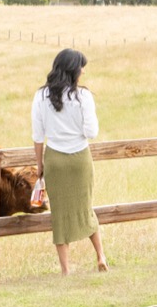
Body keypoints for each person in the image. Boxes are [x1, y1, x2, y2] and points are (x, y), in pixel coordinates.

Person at [31, 48, 108, 275]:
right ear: (73, 70)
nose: (83, 71)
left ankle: (66, 269)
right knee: (85, 207)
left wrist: (40, 167)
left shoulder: (41, 96)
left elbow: (38, 137)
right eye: (80, 67)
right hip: (79, 160)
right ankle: (100, 256)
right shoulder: (83, 96)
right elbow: (91, 131)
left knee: (60, 214)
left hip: (54, 160)